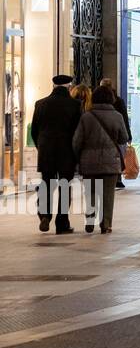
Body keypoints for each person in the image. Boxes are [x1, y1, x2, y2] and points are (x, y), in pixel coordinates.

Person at [73, 86, 130, 234]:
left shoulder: (86, 116)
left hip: (89, 162)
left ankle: (90, 221)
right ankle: (106, 224)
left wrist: (79, 156)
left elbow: (77, 141)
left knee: (90, 192)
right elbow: (124, 138)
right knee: (108, 195)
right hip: (111, 162)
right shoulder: (117, 116)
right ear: (111, 98)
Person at [31, 75, 83, 234]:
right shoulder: (75, 104)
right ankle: (62, 223)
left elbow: (34, 131)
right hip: (66, 151)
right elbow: (78, 132)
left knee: (47, 183)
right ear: (69, 87)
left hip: (46, 150)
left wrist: (41, 147)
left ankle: (45, 215)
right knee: (64, 186)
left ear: (53, 86)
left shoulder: (40, 104)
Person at [98, 79, 131, 189]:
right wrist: (128, 135)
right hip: (116, 134)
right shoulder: (118, 100)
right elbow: (124, 119)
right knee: (117, 156)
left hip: (101, 135)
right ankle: (117, 179)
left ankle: (107, 177)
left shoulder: (95, 102)